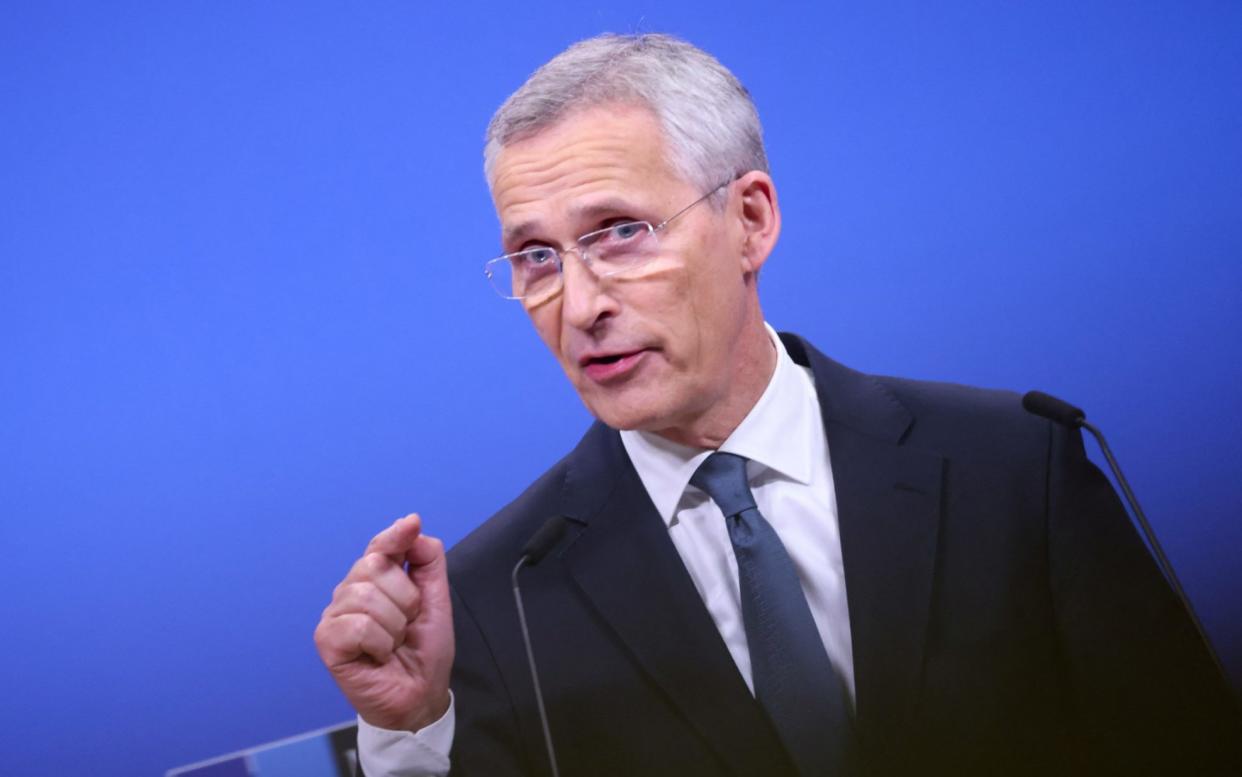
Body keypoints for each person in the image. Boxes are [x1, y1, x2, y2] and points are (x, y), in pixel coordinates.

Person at [314, 33, 1239, 777]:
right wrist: (412, 735)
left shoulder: (1014, 463)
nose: (580, 302)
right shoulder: (493, 594)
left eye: (621, 233)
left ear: (750, 219)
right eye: (536, 257)